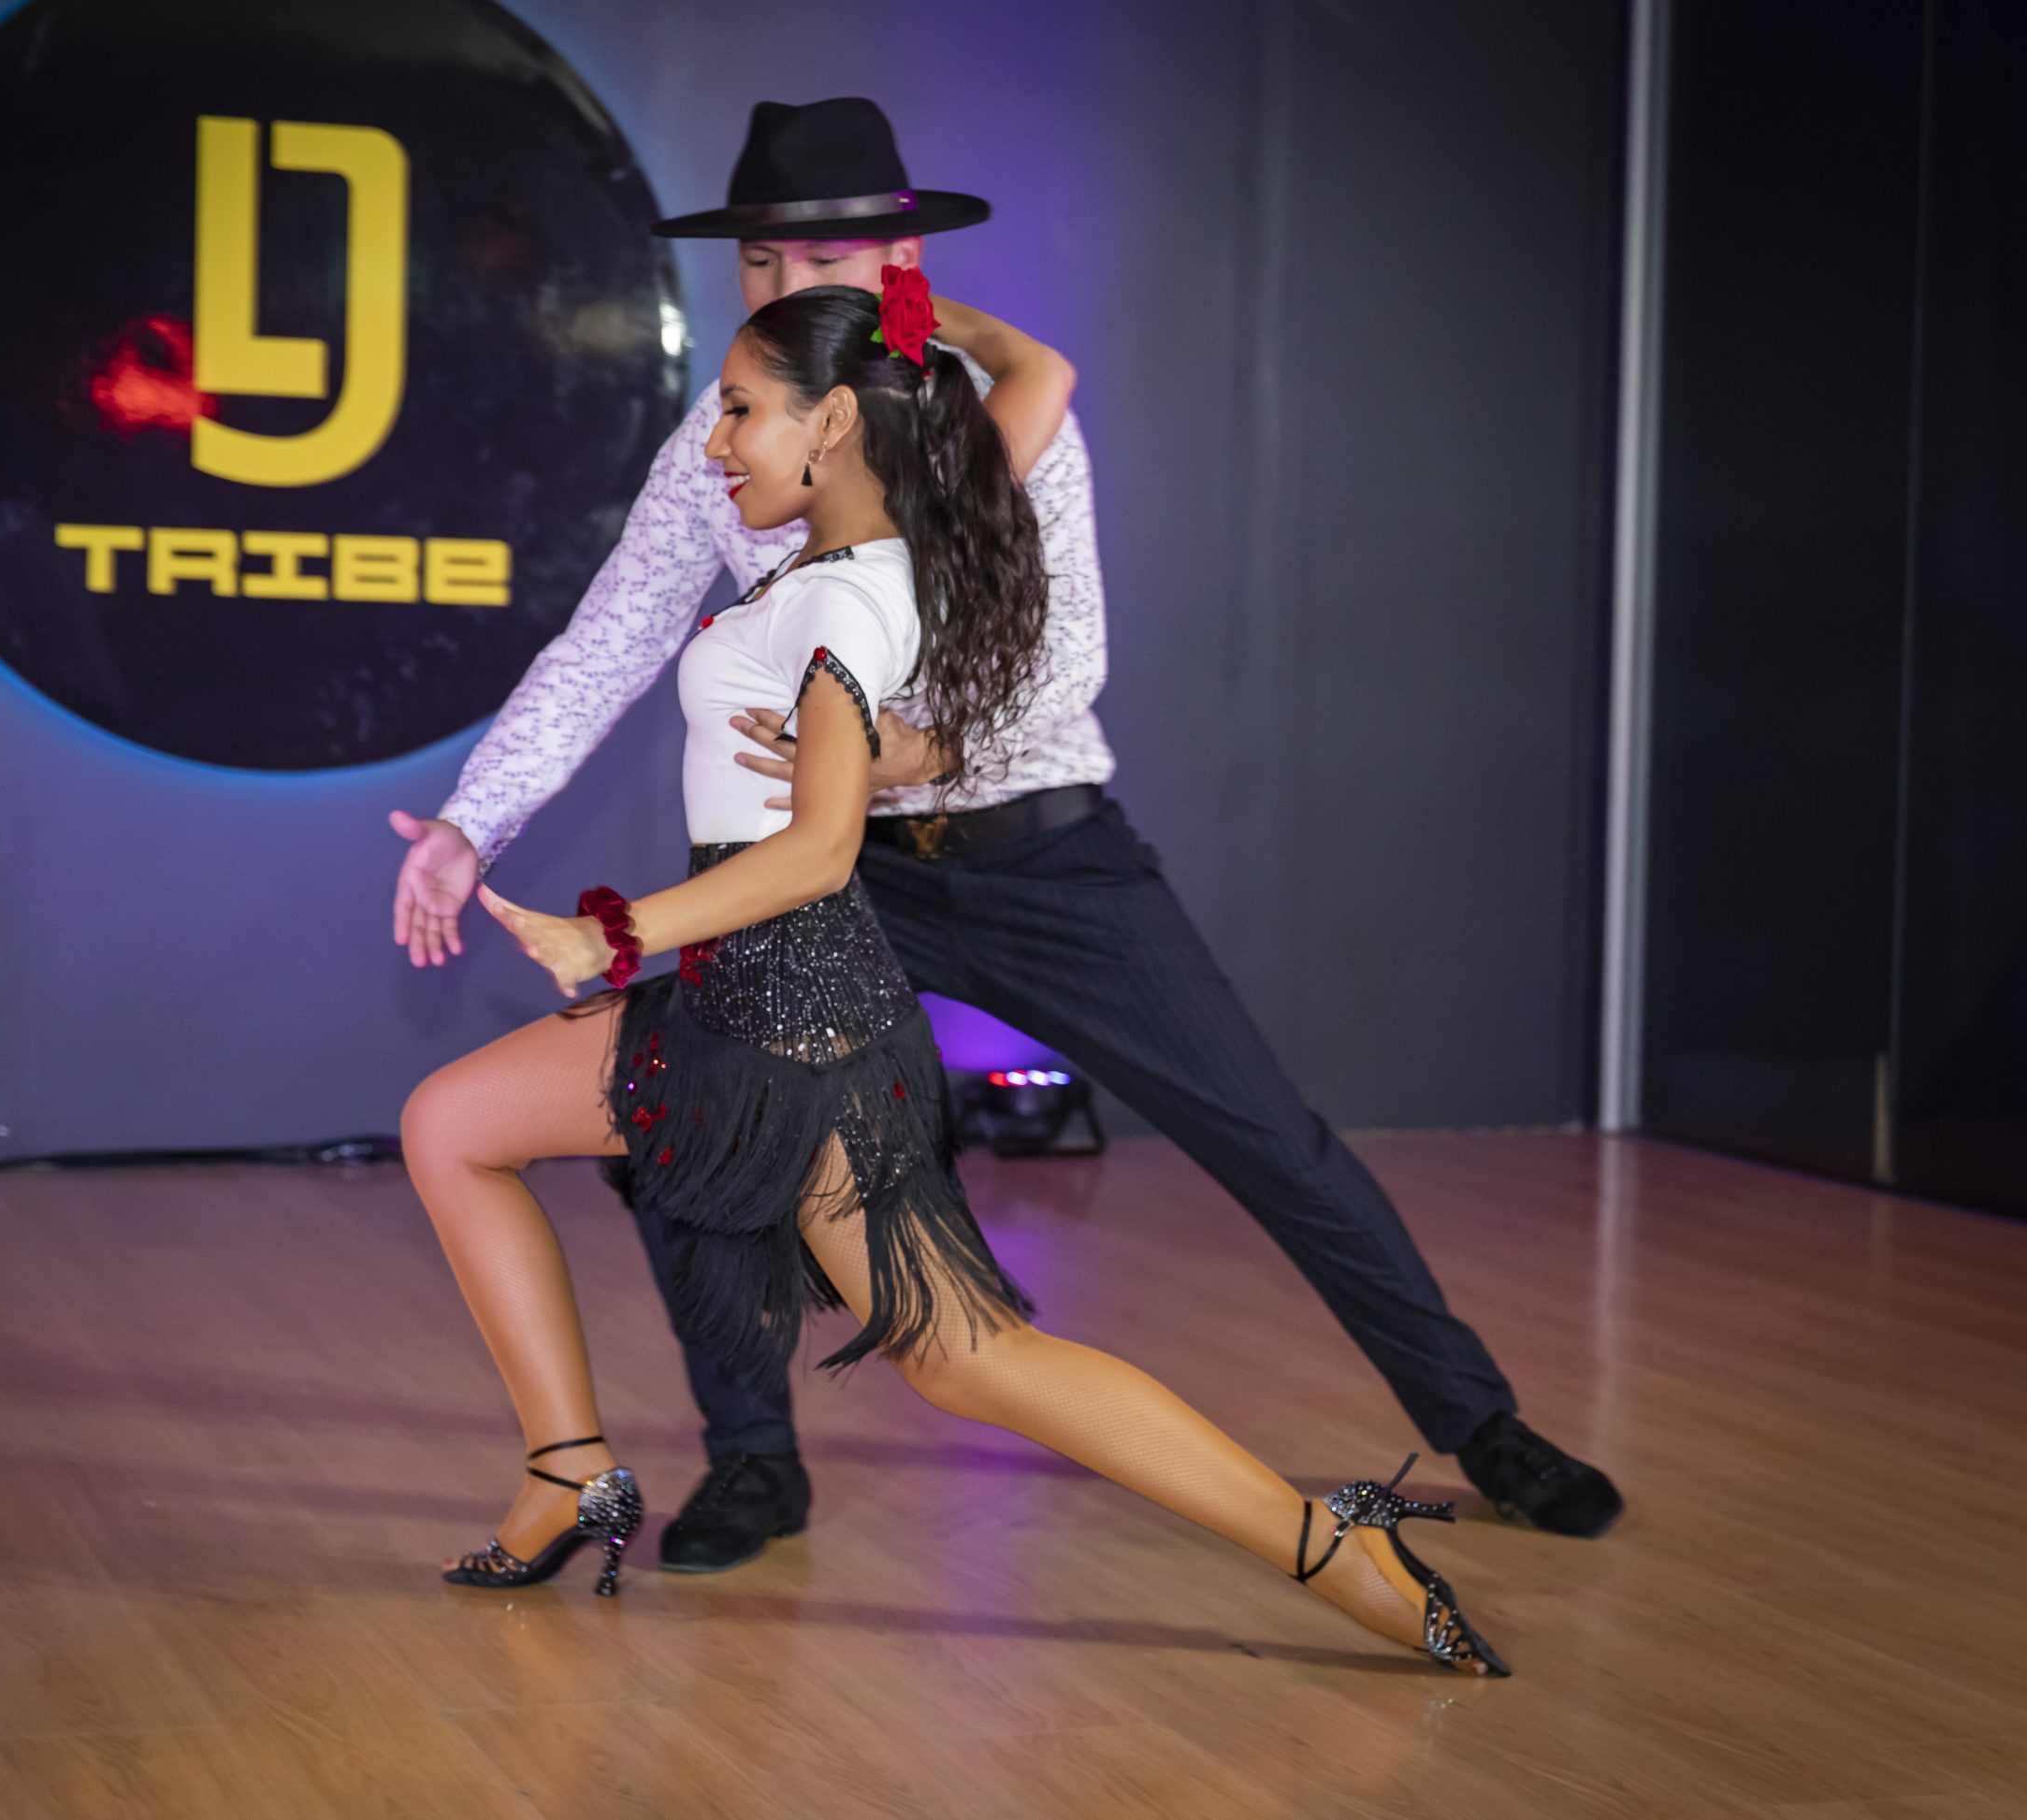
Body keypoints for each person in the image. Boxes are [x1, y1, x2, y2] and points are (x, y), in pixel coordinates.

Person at [393, 98, 1622, 1573]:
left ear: (899, 264)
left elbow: (1056, 660)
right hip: (837, 877)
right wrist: (470, 823)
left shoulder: (995, 415)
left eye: (826, 259)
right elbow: (608, 644)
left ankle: (1482, 1424)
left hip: (1037, 851)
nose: (787, 286)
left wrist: (898, 748)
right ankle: (753, 1463)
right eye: (765, 261)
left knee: (1272, 1141)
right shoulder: (719, 443)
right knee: (687, 1115)